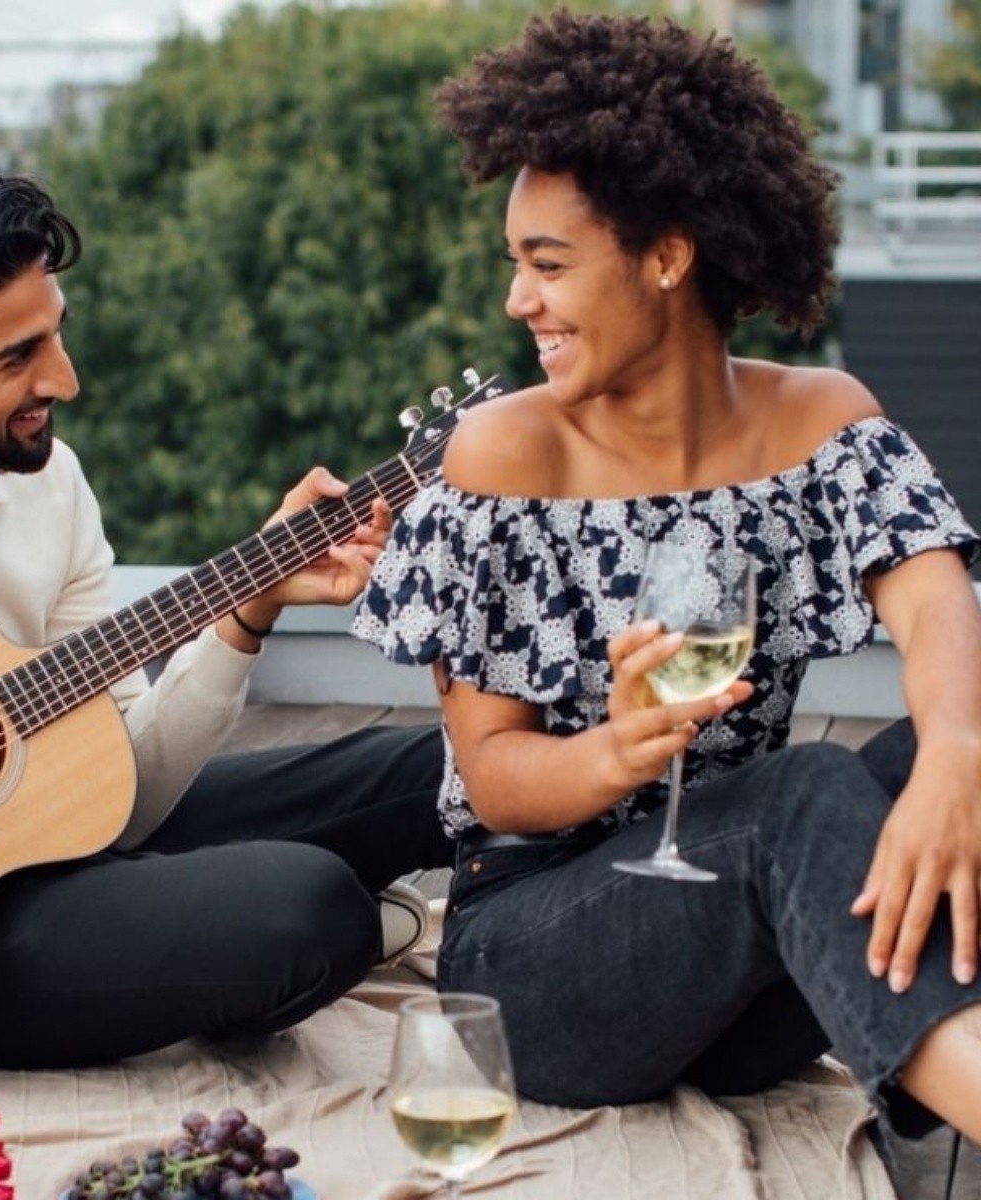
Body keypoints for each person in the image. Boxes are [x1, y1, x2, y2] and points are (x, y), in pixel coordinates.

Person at [353, 11, 981, 1147]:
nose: (518, 302)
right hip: (545, 970)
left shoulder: (821, 421)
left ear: (667, 256)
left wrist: (954, 755)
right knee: (801, 797)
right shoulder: (505, 457)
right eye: (517, 266)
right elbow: (492, 777)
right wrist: (616, 750)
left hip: (745, 976)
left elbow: (935, 592)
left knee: (948, 751)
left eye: (547, 266)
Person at [0, 156, 450, 1071]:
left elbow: (123, 787)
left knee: (427, 769)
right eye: (17, 358)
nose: (66, 380)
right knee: (304, 910)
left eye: (56, 334)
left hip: (40, 841)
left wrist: (243, 614)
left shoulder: (50, 485)